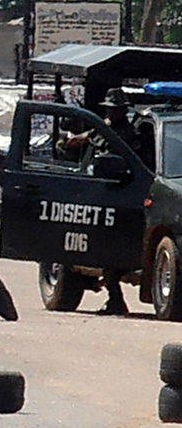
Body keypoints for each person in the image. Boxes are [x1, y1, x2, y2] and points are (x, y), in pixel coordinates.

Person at [65, 87, 139, 316]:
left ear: (123, 111)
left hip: (117, 192)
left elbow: (98, 138)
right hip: (103, 190)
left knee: (108, 248)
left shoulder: (123, 132)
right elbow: (89, 137)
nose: (110, 113)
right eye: (109, 109)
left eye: (114, 110)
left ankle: (115, 299)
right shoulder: (109, 129)